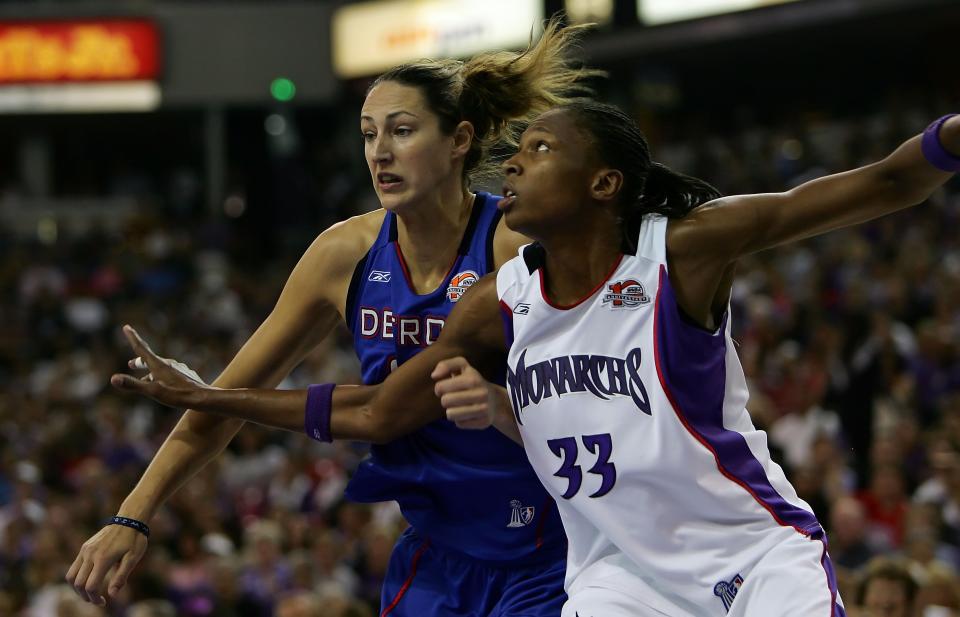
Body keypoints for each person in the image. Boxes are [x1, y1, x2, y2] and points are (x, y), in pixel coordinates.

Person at [98, 104, 960, 615]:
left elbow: (884, 184)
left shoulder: (680, 250)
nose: (516, 161)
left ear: (604, 182)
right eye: (515, 151)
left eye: (541, 149)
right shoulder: (502, 301)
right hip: (619, 579)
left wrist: (948, 139)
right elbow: (376, 411)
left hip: (752, 555)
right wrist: (215, 398)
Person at [66, 19, 602, 616]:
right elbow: (216, 403)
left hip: (555, 548)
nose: (380, 152)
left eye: (402, 131)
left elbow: (592, 387)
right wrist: (132, 514)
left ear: (459, 141)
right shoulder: (342, 255)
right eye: (369, 134)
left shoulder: (511, 245)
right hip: (437, 554)